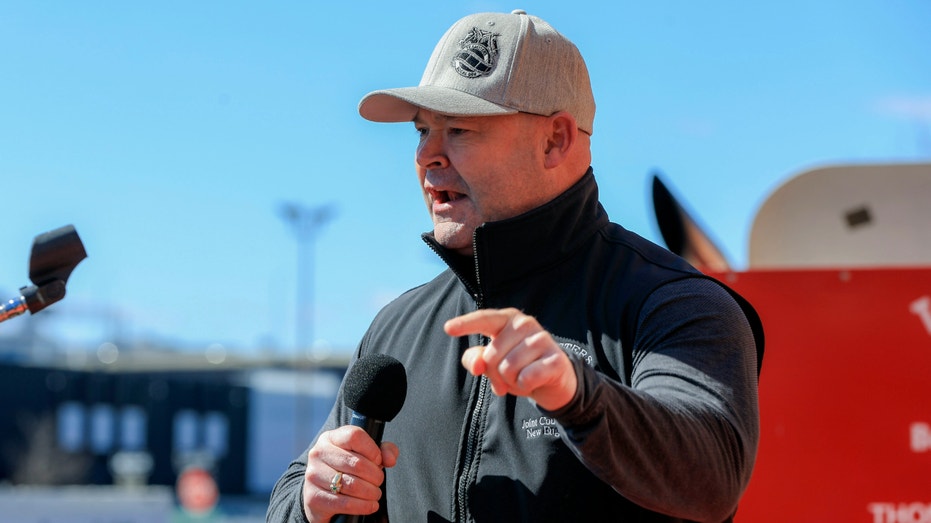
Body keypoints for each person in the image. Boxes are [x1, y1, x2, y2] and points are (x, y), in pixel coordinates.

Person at [267, 9, 763, 523]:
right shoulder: (397, 327)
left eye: (458, 127)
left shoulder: (673, 303)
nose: (428, 156)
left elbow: (712, 479)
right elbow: (295, 493)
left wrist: (577, 396)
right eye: (422, 131)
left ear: (556, 140)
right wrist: (310, 501)